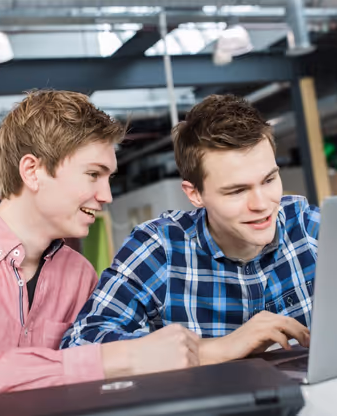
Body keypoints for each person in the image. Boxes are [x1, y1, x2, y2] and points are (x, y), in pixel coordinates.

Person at [0, 90, 200, 416]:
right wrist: (119, 359)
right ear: (32, 171)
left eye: (109, 178)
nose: (106, 195)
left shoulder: (79, 274)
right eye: (93, 174)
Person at [62, 95, 316, 365]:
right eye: (237, 191)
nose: (262, 204)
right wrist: (220, 348)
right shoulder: (160, 249)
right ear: (194, 194)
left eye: (269, 180)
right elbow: (80, 345)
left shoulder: (310, 227)